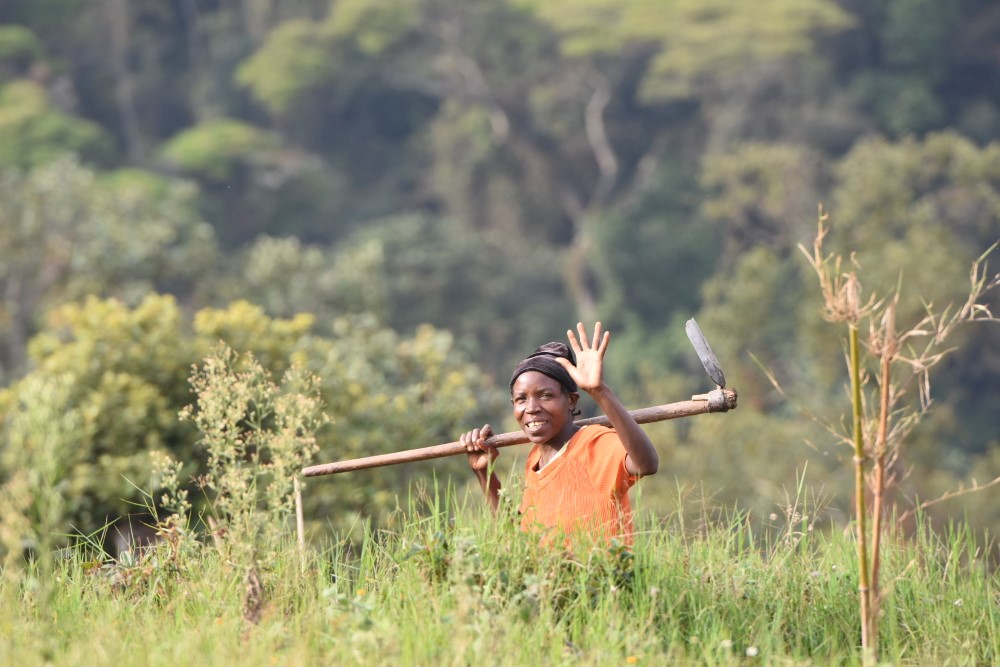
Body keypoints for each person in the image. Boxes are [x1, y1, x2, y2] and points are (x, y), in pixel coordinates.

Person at [461, 321, 659, 544]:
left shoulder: (593, 443)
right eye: (521, 399)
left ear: (571, 401)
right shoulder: (535, 461)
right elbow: (520, 541)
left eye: (546, 395)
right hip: (552, 579)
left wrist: (599, 391)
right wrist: (485, 473)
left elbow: (646, 465)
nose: (532, 408)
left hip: (601, 578)